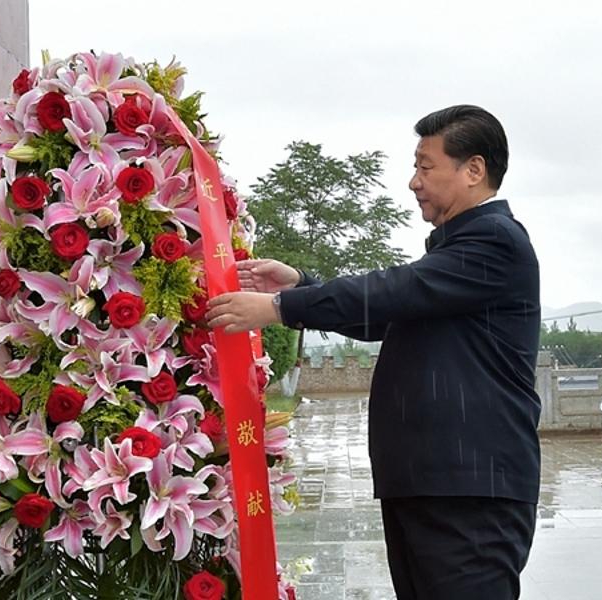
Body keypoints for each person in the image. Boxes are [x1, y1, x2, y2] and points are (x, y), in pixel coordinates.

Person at [206, 105, 541, 600]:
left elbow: (394, 289)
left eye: (426, 167)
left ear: (474, 170)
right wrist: (303, 285)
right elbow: (388, 313)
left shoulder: (495, 241)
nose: (413, 181)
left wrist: (278, 306)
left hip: (470, 490)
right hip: (432, 483)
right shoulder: (455, 254)